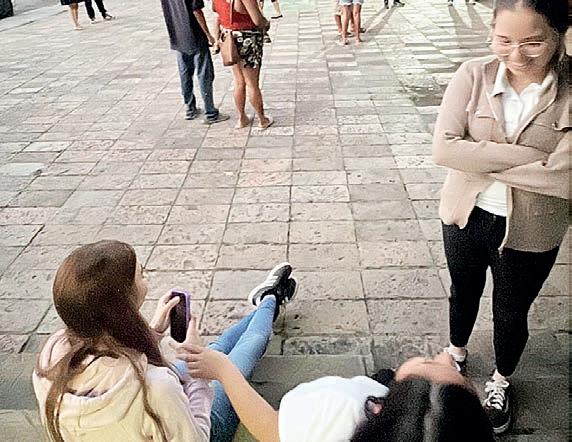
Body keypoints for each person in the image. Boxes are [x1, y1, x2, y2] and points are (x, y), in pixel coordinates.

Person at [432, 0, 569, 434]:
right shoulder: (473, 75)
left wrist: (478, 158)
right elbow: (444, 149)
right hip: (466, 215)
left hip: (533, 227)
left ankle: (501, 380)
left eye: (533, 42)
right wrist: (533, 158)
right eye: (503, 40)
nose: (516, 54)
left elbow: (566, 177)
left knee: (511, 311)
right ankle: (455, 353)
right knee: (463, 292)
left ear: (559, 36)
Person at [32, 240, 297, 441]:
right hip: (199, 425)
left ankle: (266, 302)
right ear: (123, 303)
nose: (145, 278)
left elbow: (110, 354)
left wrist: (154, 332)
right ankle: (270, 298)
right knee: (248, 346)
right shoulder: (157, 387)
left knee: (214, 351)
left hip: (154, 411)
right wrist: (201, 379)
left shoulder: (52, 354)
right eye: (141, 275)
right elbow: (197, 437)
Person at [179, 342, 494, 441]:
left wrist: (224, 371)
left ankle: (270, 300)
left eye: (430, 363)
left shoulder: (339, 408)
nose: (446, 356)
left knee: (252, 338)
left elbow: (271, 430)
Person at [160, 0, 230, 124]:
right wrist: (208, 35)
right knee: (204, 74)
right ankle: (210, 112)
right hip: (195, 34)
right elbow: (197, 11)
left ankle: (190, 108)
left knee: (185, 73)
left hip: (178, 35)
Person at [213, 0, 274, 129]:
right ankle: (262, 119)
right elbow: (257, 20)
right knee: (252, 83)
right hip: (247, 39)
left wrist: (216, 39)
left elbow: (217, 15)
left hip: (229, 39)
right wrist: (266, 23)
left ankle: (242, 118)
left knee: (239, 81)